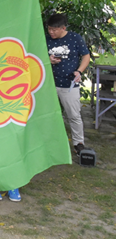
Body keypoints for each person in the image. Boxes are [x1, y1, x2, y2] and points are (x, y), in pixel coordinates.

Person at [47, 13, 90, 155]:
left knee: (74, 115)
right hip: (48, 84)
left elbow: (85, 55)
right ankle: (47, 142)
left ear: (63, 28)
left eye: (54, 29)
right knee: (47, 114)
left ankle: (78, 144)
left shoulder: (75, 38)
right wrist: (49, 60)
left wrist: (79, 71)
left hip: (69, 84)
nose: (51, 32)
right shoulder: (46, 39)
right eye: (49, 29)